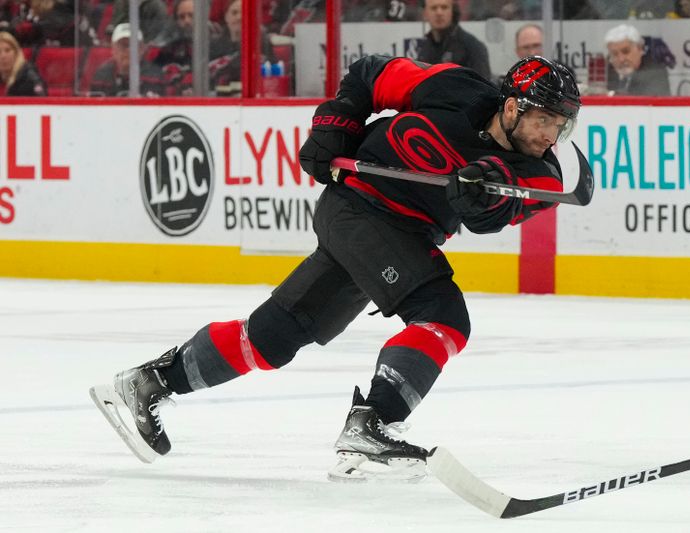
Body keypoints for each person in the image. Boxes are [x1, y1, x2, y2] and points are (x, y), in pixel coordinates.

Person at [89, 54, 582, 481]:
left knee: (272, 338)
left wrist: (480, 193)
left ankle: (152, 381)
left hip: (401, 234)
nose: (551, 134)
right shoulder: (451, 85)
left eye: (562, 125)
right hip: (355, 207)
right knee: (441, 314)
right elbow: (370, 76)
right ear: (513, 106)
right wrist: (336, 127)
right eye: (545, 120)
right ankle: (372, 425)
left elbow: (491, 218)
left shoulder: (542, 175)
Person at [417, 0, 491, 80]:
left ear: (453, 11)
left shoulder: (473, 47)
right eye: (434, 8)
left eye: (444, 7)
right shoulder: (424, 48)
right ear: (425, 14)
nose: (439, 13)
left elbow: (485, 89)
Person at [89, 23, 166, 96]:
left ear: (142, 49)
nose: (128, 50)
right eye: (123, 45)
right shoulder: (102, 75)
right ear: (113, 50)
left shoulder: (155, 76)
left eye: (133, 45)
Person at [604, 24, 670, 96]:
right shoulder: (608, 72)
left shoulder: (655, 71)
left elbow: (646, 102)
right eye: (615, 54)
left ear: (640, 49)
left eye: (626, 51)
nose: (621, 59)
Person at [0, 29, 46, 96]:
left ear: (16, 53)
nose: (3, 56)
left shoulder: (29, 77)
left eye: (7, 50)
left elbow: (41, 100)